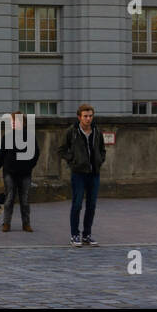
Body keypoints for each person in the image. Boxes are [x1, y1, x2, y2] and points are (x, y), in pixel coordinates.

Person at [58, 103, 105, 247]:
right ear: (79, 117)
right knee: (77, 204)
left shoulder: (97, 131)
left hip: (94, 173)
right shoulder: (71, 132)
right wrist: (73, 161)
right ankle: (74, 235)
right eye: (85, 116)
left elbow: (102, 150)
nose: (88, 119)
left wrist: (100, 160)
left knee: (91, 205)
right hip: (78, 174)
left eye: (90, 116)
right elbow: (61, 150)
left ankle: (87, 235)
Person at [0, 111, 38, 232]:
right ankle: (6, 223)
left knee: (25, 200)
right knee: (9, 198)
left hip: (25, 173)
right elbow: (1, 155)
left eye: (15, 121)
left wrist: (29, 166)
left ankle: (26, 224)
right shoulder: (8, 137)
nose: (13, 124)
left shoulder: (30, 137)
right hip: (10, 173)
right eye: (12, 122)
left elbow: (36, 154)